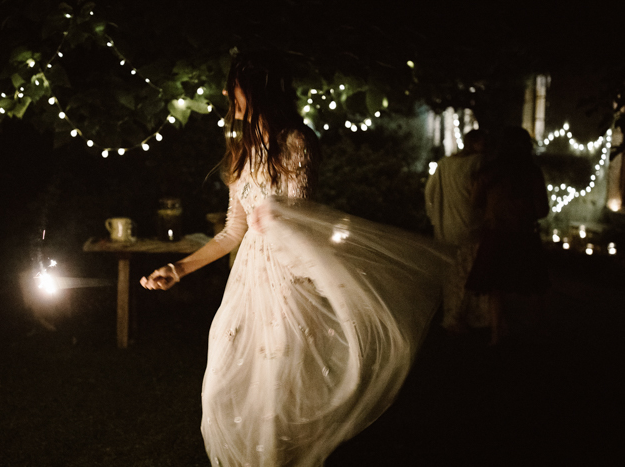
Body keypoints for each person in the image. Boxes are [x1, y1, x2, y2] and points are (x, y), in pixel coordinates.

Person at [141, 51, 449, 466]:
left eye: (236, 96)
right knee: (221, 385)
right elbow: (234, 231)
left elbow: (302, 220)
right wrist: (179, 268)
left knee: (279, 390)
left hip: (288, 278)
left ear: (258, 94)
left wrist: (285, 229)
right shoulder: (242, 152)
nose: (231, 104)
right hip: (248, 283)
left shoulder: (294, 143)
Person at [465, 127, 550, 345]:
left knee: (496, 285)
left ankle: (496, 334)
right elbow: (542, 210)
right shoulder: (531, 172)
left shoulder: (490, 172)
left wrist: (494, 206)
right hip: (524, 233)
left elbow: (474, 202)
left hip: (496, 233)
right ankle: (537, 331)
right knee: (533, 285)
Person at [425, 130, 490, 333]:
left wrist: (435, 218)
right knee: (472, 272)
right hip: (471, 226)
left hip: (447, 227)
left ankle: (453, 316)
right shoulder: (479, 163)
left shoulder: (445, 164)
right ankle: (475, 316)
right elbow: (480, 193)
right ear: (476, 144)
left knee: (453, 275)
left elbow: (430, 192)